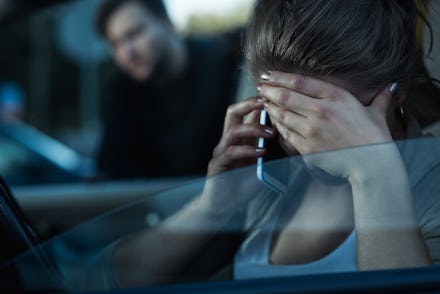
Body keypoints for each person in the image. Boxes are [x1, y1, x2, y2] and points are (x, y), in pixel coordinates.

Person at [80, 0, 440, 289]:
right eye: (289, 117)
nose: (307, 148)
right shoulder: (271, 186)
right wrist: (214, 206)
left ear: (396, 92)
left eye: (332, 120)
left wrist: (374, 173)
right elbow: (101, 281)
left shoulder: (432, 182)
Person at [95, 0, 243, 178]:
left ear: (166, 23)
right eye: (115, 44)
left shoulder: (224, 64)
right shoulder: (122, 90)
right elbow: (112, 168)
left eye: (134, 34)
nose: (127, 52)